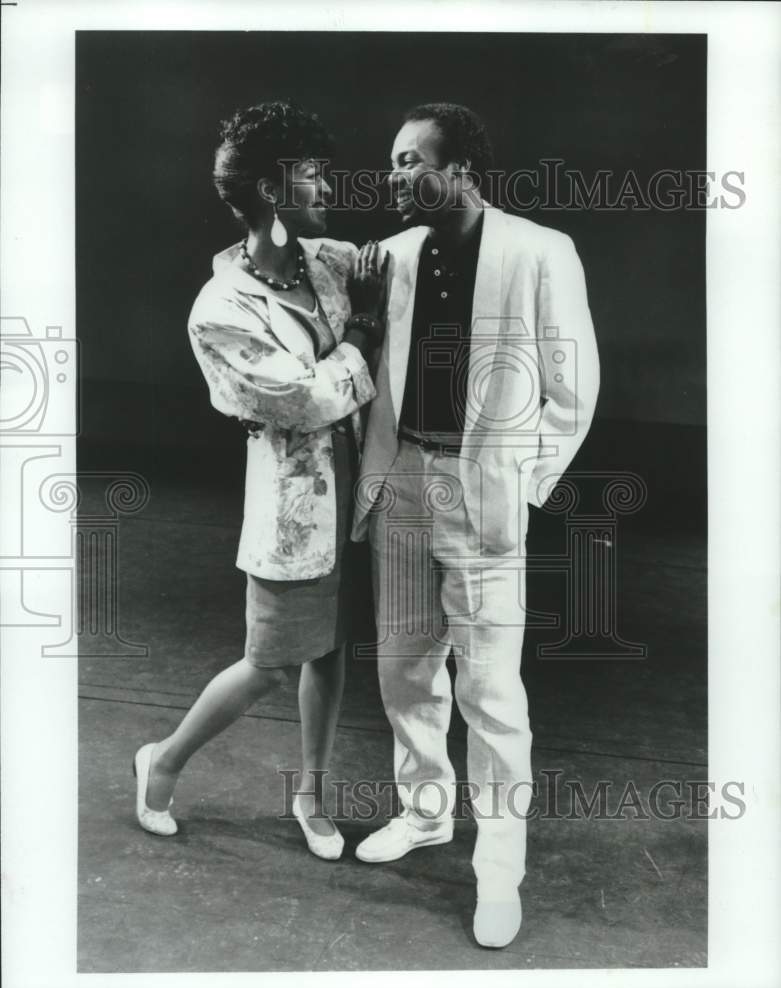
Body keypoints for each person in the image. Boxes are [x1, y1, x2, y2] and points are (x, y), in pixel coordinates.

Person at [351, 103, 600, 944]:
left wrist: (522, 484)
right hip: (403, 482)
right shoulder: (389, 255)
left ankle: (498, 872)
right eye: (389, 160)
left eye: (409, 158)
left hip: (482, 484)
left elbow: (573, 385)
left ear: (460, 169)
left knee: (491, 691)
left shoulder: (538, 251)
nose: (392, 174)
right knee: (403, 668)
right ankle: (424, 813)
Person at [133, 101, 385, 861]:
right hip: (295, 501)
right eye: (310, 174)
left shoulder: (330, 260)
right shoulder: (220, 310)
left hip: (361, 488)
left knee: (332, 650)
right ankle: (163, 760)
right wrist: (365, 334)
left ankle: (309, 792)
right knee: (270, 663)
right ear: (273, 191)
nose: (325, 184)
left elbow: (402, 259)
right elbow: (305, 403)